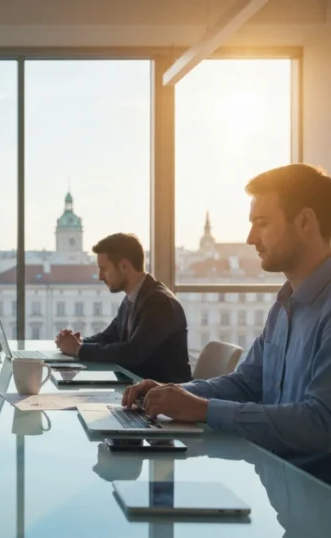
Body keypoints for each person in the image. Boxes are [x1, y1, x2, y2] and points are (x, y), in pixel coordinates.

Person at [123, 164, 331, 483]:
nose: (250, 238)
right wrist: (175, 393)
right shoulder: (284, 304)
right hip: (278, 480)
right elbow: (247, 382)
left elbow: (320, 425)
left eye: (261, 223)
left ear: (304, 222)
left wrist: (204, 410)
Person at [55, 233, 192, 383]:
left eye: (104, 269)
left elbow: (133, 353)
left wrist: (78, 349)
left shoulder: (159, 302)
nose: (100, 276)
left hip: (164, 397)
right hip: (140, 389)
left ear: (124, 266)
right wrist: (77, 341)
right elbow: (109, 337)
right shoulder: (134, 297)